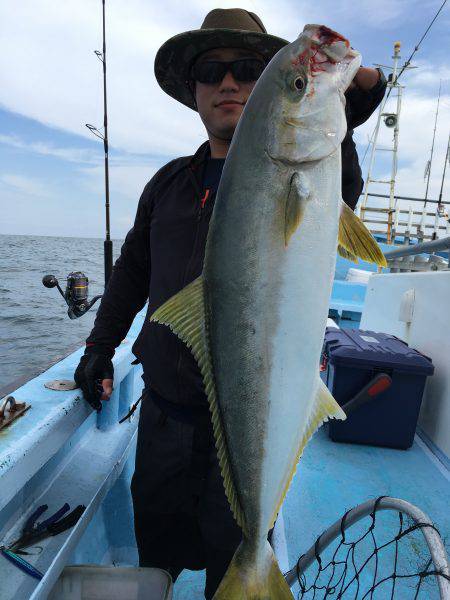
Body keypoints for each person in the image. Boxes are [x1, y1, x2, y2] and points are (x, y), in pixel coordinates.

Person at [74, 8, 386, 599]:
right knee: (154, 564)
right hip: (163, 421)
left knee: (234, 555)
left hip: (251, 428)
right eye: (211, 71)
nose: (229, 83)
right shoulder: (167, 184)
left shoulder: (321, 174)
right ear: (192, 90)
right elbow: (132, 272)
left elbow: (330, 164)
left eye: (248, 69)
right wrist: (98, 347)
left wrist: (349, 87)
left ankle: (249, 570)